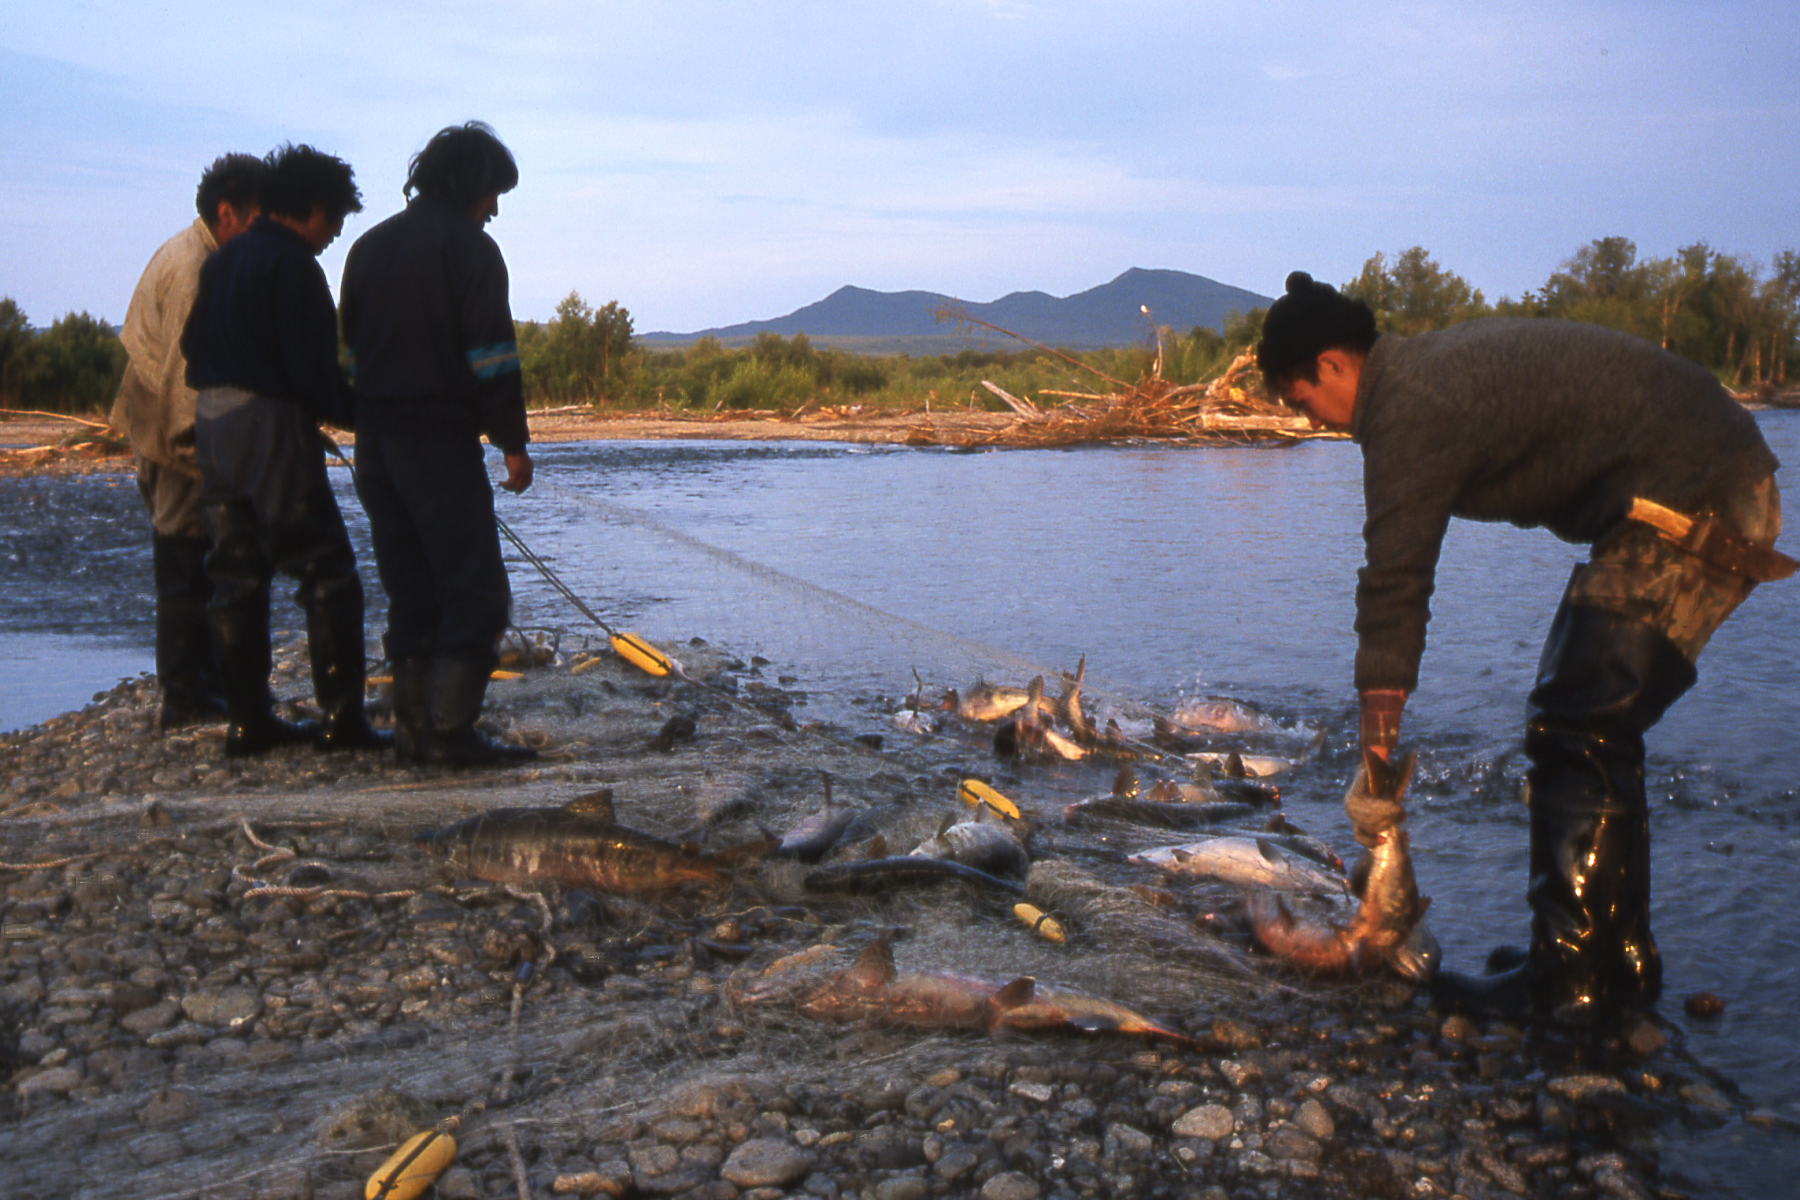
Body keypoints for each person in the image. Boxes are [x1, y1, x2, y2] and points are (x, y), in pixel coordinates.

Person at [1256, 271, 1788, 1025]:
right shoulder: (1421, 376)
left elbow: (1394, 586)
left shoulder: (1407, 405)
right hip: (1696, 483)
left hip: (1698, 494)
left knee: (1579, 724)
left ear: (1333, 364)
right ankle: (1617, 960)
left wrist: (1377, 767)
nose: (1309, 420)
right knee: (1591, 724)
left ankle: (1569, 979)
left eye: (1302, 400)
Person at [181, 144, 390, 758]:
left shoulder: (223, 260)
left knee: (236, 575)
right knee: (328, 572)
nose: (335, 235)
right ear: (314, 207)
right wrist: (372, 415)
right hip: (266, 428)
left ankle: (247, 722)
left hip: (210, 425)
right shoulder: (295, 266)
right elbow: (315, 379)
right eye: (336, 220)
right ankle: (343, 722)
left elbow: (193, 347)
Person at [339, 122, 536, 766]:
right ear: (468, 184)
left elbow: (350, 355)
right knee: (476, 593)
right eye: (493, 193)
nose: (495, 209)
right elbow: (493, 357)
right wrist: (513, 443)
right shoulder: (473, 251)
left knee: (411, 590)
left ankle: (410, 734)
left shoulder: (366, 248)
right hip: (437, 446)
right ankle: (449, 734)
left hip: (375, 449)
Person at [110, 153, 266, 729]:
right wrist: (200, 456)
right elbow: (182, 382)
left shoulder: (196, 252)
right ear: (227, 213)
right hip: (170, 437)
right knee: (183, 559)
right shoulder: (194, 269)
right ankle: (183, 695)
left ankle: (202, 684)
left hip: (166, 429)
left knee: (195, 560)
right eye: (258, 220)